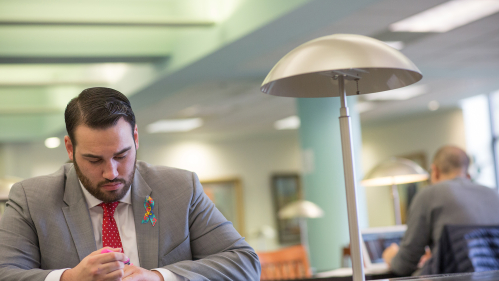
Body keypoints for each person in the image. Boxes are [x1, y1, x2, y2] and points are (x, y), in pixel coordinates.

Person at [0, 87, 261, 281]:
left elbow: (244, 263)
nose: (111, 173)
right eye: (94, 160)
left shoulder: (180, 188)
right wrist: (68, 278)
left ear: (135, 138)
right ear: (70, 148)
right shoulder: (31, 198)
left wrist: (159, 277)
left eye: (121, 156)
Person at [382, 145, 499, 276]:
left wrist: (391, 257)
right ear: (468, 175)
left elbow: (405, 264)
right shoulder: (495, 194)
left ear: (435, 171)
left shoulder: (429, 194)